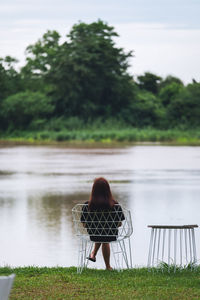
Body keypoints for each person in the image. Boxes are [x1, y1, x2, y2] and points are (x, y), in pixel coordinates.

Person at [81, 177, 125, 270]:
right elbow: (119, 224)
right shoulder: (115, 205)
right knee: (105, 237)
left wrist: (95, 226)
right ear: (107, 190)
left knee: (100, 232)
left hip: (93, 234)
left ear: (94, 190)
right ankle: (108, 266)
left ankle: (93, 253)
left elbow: (84, 224)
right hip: (111, 234)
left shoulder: (87, 205)